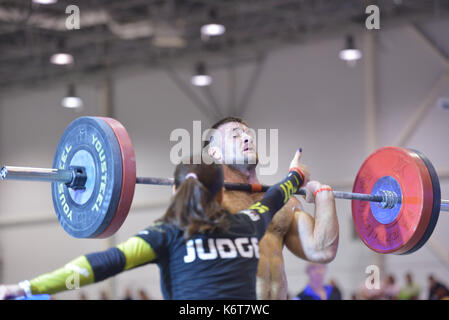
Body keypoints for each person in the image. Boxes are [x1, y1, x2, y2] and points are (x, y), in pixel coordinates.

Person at [0, 149, 319, 300]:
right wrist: (298, 174)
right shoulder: (250, 222)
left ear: (173, 191)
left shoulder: (165, 236)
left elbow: (100, 264)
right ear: (222, 193)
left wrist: (25, 288)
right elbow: (276, 196)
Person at [203, 117, 339, 299]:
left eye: (248, 133)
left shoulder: (285, 204)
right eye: (235, 135)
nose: (247, 138)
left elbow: (322, 250)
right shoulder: (211, 200)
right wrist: (293, 180)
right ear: (216, 153)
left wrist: (324, 197)